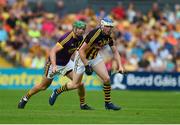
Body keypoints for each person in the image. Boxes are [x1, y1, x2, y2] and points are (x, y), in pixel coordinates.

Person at [49, 17, 124, 110]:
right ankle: (57, 91)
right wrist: (86, 65)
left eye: (111, 27)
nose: (109, 29)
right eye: (107, 26)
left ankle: (108, 103)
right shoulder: (95, 34)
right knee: (75, 85)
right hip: (81, 57)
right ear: (102, 26)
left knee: (107, 79)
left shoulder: (110, 36)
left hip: (95, 57)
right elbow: (81, 51)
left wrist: (120, 66)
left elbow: (115, 52)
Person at [18, 21, 92, 110]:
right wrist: (53, 66)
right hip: (54, 63)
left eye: (83, 29)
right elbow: (52, 51)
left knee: (80, 84)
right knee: (43, 86)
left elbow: (78, 51)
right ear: (74, 28)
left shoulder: (80, 38)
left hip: (67, 63)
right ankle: (25, 98)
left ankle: (83, 104)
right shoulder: (66, 38)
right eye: (79, 29)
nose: (81, 31)